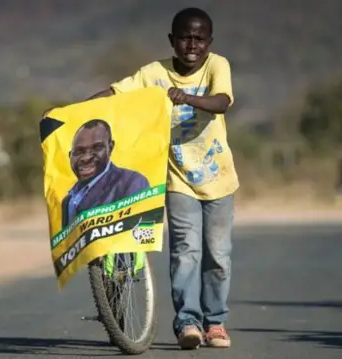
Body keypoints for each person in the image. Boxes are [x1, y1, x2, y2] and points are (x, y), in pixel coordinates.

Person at [87, 7, 237, 350]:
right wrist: (74, 113)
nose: (192, 45)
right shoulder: (154, 73)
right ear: (172, 40)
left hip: (220, 179)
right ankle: (188, 321)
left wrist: (186, 98)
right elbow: (115, 93)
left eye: (200, 39)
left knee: (218, 255)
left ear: (210, 42)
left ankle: (215, 322)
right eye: (185, 37)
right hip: (177, 178)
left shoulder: (218, 65)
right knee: (186, 251)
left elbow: (221, 102)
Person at [61, 119, 150, 228]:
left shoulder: (132, 183)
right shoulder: (68, 201)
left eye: (97, 148)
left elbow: (138, 234)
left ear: (110, 147)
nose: (86, 158)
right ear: (70, 155)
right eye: (79, 151)